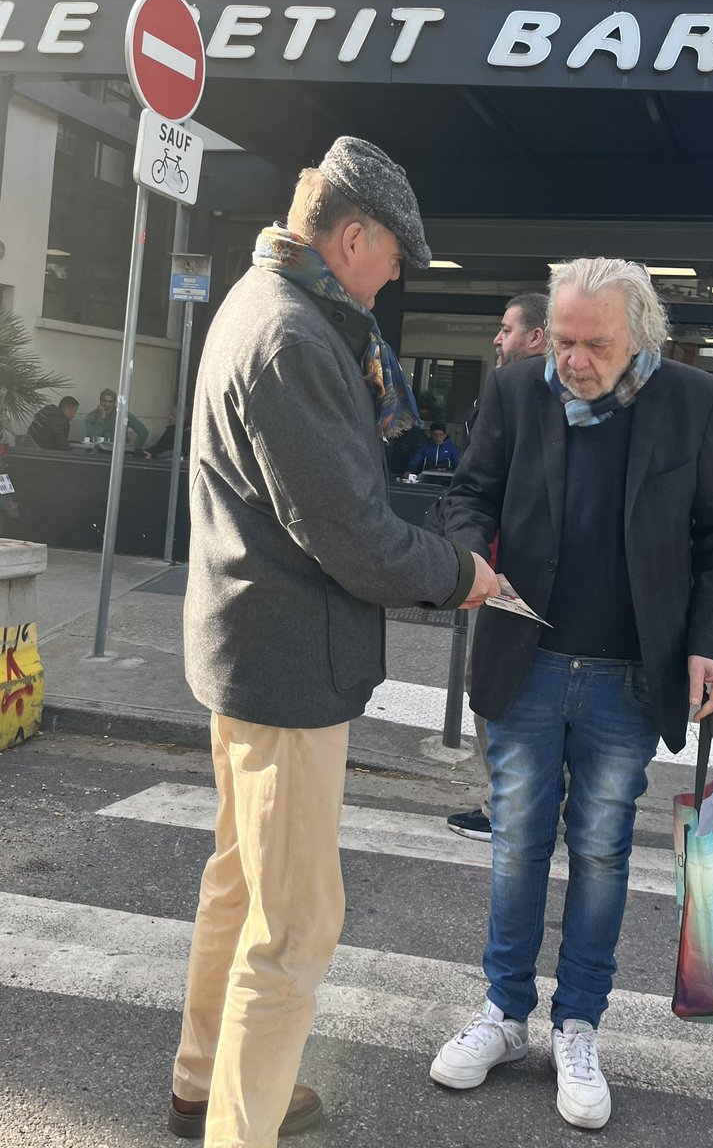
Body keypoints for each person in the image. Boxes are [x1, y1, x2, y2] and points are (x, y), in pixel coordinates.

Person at [169, 135, 499, 1148]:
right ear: (352, 235)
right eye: (395, 256)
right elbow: (350, 534)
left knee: (239, 882)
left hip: (248, 649)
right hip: (287, 666)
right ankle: (240, 1124)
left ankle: (202, 1084)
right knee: (297, 925)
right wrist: (458, 575)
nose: (398, 276)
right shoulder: (298, 337)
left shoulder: (263, 304)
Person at [430, 257, 713, 1129]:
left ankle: (578, 1025)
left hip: (627, 676)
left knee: (601, 853)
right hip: (524, 660)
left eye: (594, 344)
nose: (571, 359)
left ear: (640, 334)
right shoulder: (516, 391)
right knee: (515, 847)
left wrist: (711, 644)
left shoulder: (693, 401)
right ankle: (503, 1014)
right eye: (561, 340)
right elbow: (469, 494)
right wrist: (469, 563)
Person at [448, 291, 548, 841]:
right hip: (498, 573)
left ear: (535, 336)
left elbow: (484, 488)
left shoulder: (517, 394)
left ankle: (507, 808)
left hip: (510, 579)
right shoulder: (511, 391)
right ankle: (515, 804)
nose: (497, 338)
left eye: (506, 329)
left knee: (494, 690)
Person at [84, 387, 149, 451]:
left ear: (115, 403)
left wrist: (134, 448)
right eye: (104, 401)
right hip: (98, 452)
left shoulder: (123, 415)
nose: (107, 404)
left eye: (110, 402)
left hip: (120, 452)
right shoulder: (91, 416)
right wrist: (101, 418)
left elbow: (143, 431)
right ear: (100, 401)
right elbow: (91, 438)